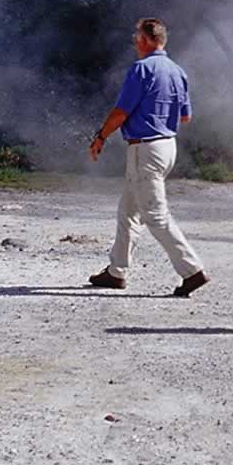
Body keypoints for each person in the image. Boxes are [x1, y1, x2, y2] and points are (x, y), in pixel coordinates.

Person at [87, 18, 209, 297]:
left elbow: (121, 111)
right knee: (129, 211)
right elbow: (186, 116)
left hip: (146, 148)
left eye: (136, 36)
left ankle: (192, 271)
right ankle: (116, 272)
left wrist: (101, 136)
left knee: (155, 215)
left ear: (144, 40)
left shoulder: (141, 69)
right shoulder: (178, 71)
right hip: (167, 146)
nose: (134, 41)